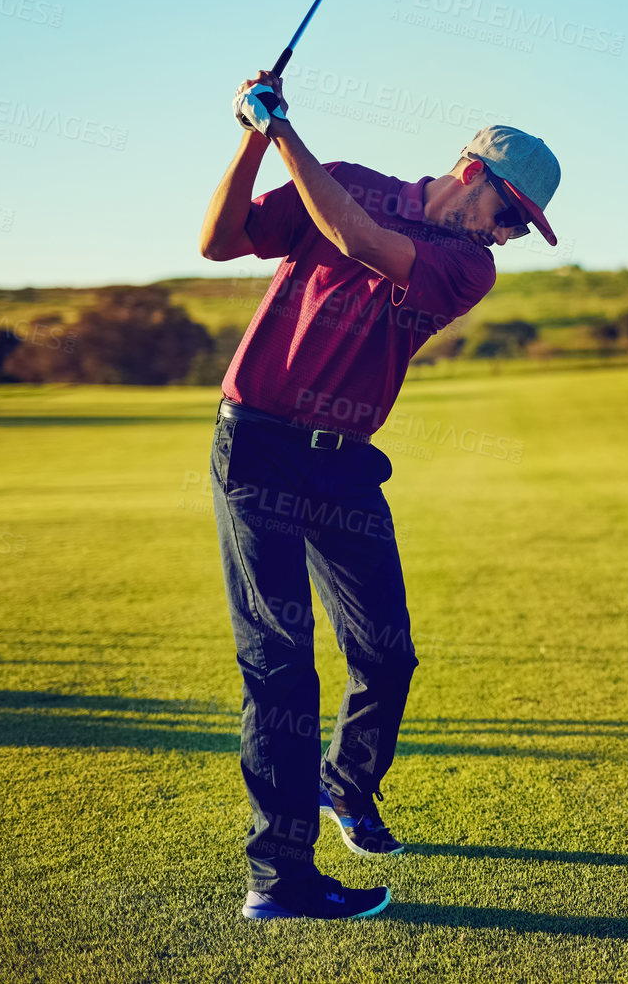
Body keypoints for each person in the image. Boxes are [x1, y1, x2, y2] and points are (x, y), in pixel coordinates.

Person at [197, 71, 561, 920]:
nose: (510, 236)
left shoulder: (468, 266)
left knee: (386, 652)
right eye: (511, 215)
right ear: (474, 176)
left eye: (521, 228)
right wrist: (254, 135)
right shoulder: (349, 177)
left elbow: (359, 241)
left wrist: (284, 129)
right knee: (281, 668)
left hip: (345, 463)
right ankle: (280, 879)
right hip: (256, 445)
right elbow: (220, 240)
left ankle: (345, 783)